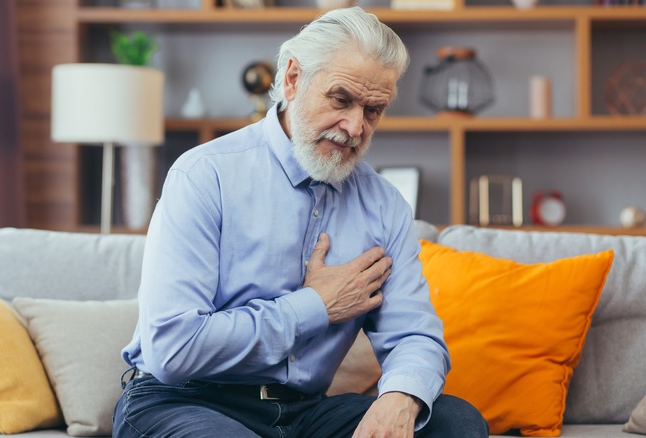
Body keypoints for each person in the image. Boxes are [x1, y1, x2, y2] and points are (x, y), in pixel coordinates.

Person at [114, 6, 488, 438]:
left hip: (304, 412)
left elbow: (414, 336)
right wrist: (316, 306)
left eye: (373, 110)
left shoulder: (384, 205)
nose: (354, 126)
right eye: (341, 99)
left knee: (456, 424)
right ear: (292, 79)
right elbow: (172, 348)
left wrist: (400, 398)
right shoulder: (204, 176)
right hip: (184, 400)